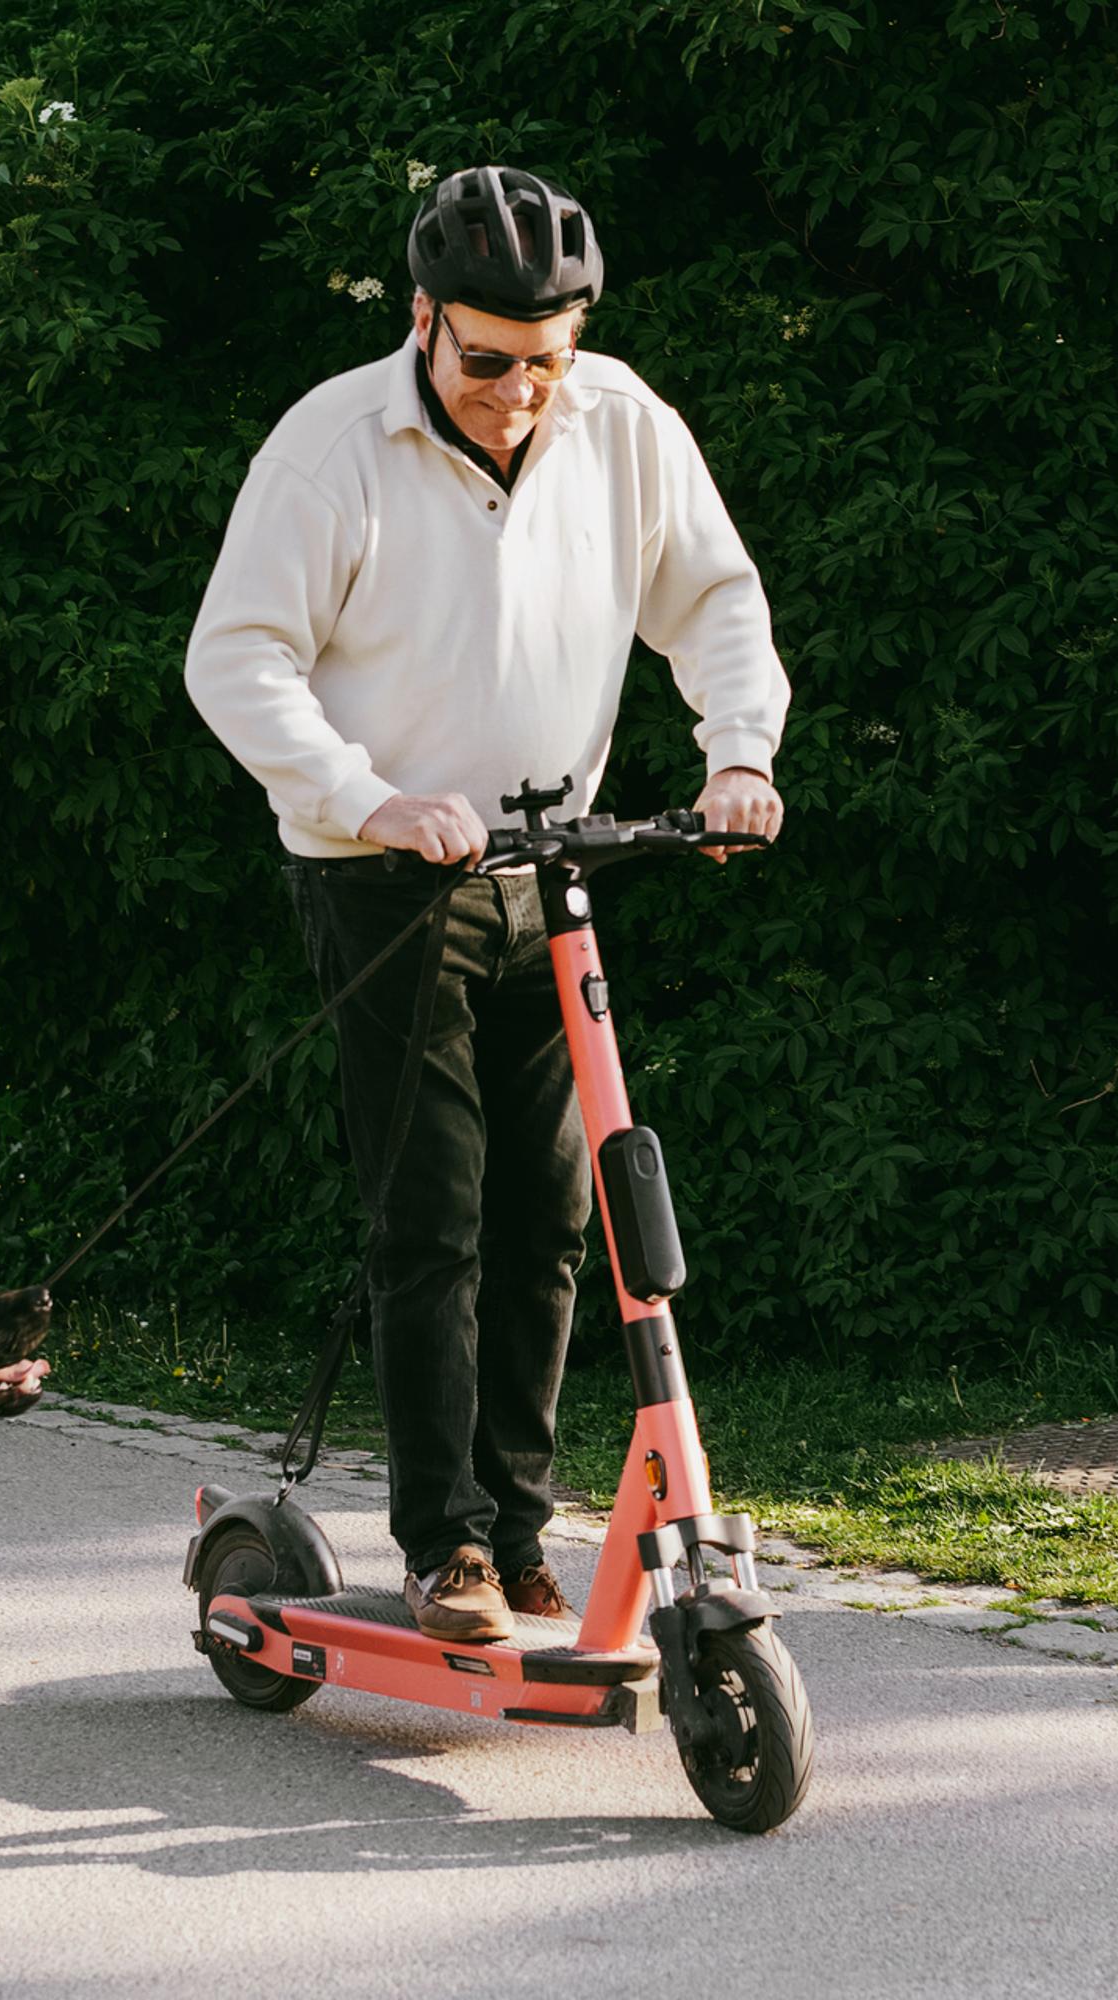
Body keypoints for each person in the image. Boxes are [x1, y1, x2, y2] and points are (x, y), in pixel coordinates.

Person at [184, 166, 789, 1643]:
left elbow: (711, 599)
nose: (519, 390)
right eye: (487, 359)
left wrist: (737, 753)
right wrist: (367, 795)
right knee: (434, 1216)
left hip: (549, 873)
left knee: (554, 1222)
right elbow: (237, 657)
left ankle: (521, 1531)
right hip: (380, 876)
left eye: (546, 358)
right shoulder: (335, 445)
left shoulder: (620, 421)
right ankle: (442, 1543)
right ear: (422, 321)